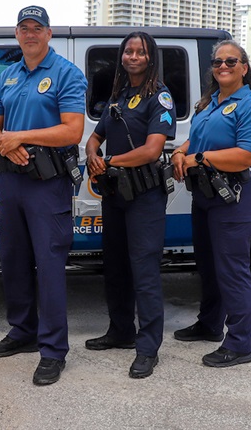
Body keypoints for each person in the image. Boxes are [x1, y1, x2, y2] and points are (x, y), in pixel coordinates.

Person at [0, 5, 87, 386]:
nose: (30, 34)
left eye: (36, 28)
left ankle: (53, 351)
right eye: (24, 28)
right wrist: (4, 143)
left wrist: (21, 137)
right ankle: (22, 332)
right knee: (14, 260)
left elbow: (72, 131)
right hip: (11, 180)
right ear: (17, 34)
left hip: (47, 183)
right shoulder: (7, 75)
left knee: (50, 265)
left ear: (48, 34)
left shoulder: (66, 74)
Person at [171, 39, 251, 368]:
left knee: (232, 271)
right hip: (204, 195)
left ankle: (240, 344)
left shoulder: (250, 104)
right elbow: (194, 138)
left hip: (233, 197)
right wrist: (179, 151)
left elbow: (247, 155)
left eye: (231, 61)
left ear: (244, 68)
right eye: (217, 63)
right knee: (209, 267)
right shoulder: (209, 103)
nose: (223, 67)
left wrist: (199, 158)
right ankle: (210, 324)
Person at [83, 31, 176, 379]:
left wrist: (110, 162)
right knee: (117, 266)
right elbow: (96, 136)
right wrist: (92, 153)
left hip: (144, 197)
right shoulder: (120, 96)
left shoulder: (159, 97)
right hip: (116, 195)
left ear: (150, 58)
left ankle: (148, 347)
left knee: (145, 272)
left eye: (140, 52)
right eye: (128, 51)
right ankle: (120, 331)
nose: (132, 56)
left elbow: (153, 150)